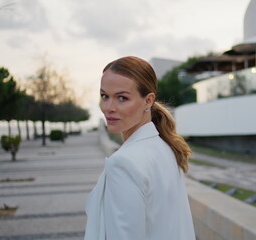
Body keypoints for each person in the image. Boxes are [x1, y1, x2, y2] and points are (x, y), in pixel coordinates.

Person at [84, 56, 196, 240]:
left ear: (148, 100)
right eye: (104, 96)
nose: (108, 108)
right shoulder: (165, 148)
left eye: (122, 98)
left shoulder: (123, 163)